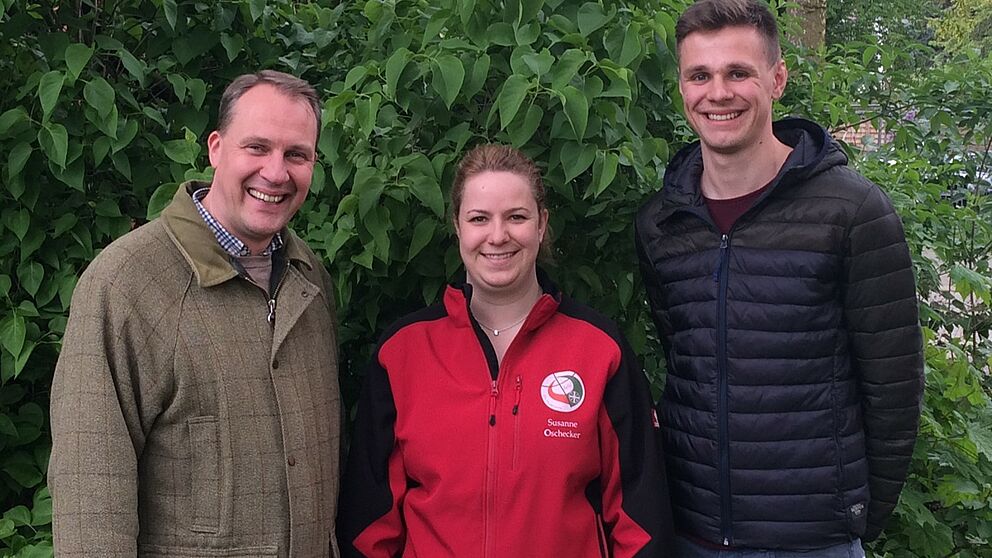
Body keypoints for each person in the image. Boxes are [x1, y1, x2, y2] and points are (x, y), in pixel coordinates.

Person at [634, 0, 925, 555]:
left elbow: (894, 390)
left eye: (738, 72)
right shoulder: (660, 224)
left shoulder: (852, 211)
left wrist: (856, 518)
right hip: (690, 530)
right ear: (682, 88)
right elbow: (684, 362)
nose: (718, 92)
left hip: (812, 538)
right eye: (700, 75)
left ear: (777, 79)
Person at [49, 70, 341, 557]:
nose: (276, 172)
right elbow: (89, 495)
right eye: (257, 147)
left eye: (296, 154)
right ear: (216, 148)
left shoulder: (309, 278)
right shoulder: (126, 284)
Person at [337, 144, 674, 557]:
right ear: (458, 227)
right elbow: (370, 523)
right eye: (479, 219)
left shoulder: (598, 349)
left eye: (516, 217)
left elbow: (640, 518)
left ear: (541, 224)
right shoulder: (403, 353)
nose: (497, 236)